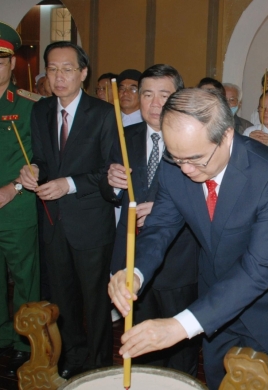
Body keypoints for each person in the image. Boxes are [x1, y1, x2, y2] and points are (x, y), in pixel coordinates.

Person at [108, 88, 268, 390]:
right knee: (215, 380)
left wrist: (178, 326)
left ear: (226, 136)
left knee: (249, 383)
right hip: (214, 297)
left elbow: (259, 269)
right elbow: (160, 227)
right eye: (177, 157)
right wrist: (135, 272)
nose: (184, 169)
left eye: (196, 159)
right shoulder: (176, 164)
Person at [19, 41, 116, 379]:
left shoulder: (103, 113)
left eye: (68, 69)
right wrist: (33, 170)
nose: (59, 77)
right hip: (53, 220)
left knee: (95, 301)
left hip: (90, 220)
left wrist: (69, 183)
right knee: (62, 298)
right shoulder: (41, 110)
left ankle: (100, 364)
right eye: (53, 69)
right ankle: (72, 355)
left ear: (83, 73)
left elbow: (109, 171)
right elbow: (45, 160)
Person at [100, 64, 200, 375]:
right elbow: (106, 189)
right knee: (140, 345)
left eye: (164, 95)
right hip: (131, 255)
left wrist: (165, 207)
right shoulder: (123, 134)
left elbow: (205, 197)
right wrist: (111, 182)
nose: (155, 104)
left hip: (178, 260)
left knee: (180, 351)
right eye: (147, 95)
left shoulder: (193, 138)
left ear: (178, 98)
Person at [0, 21, 41, 378]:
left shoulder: (29, 106)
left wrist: (13, 186)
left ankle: (22, 342)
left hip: (16, 205)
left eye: (0, 60)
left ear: (12, 63)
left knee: (24, 276)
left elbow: (42, 156)